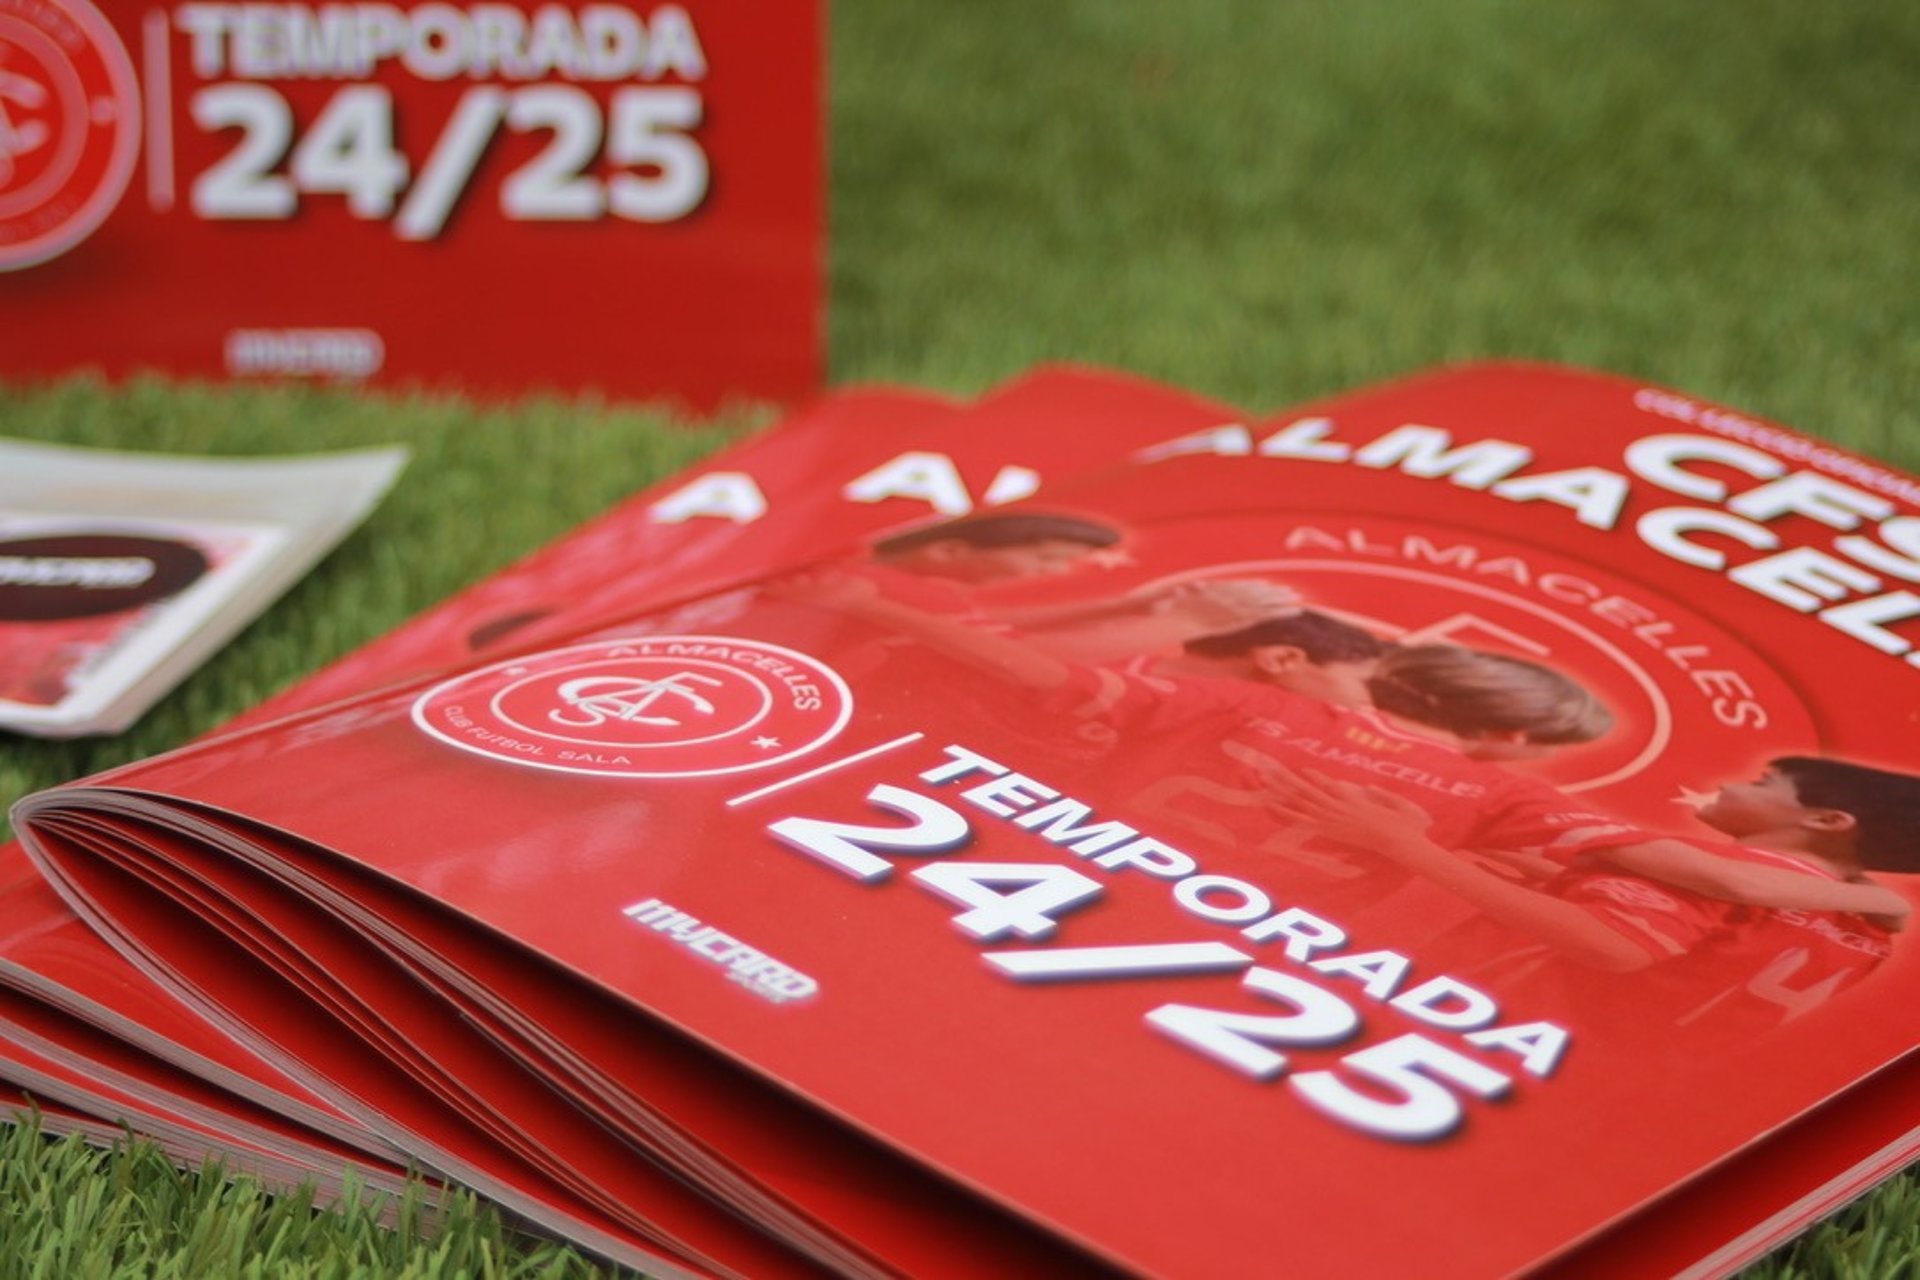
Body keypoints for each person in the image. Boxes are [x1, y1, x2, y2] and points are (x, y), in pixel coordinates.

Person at [1265, 756, 1920, 1036]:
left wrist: (1411, 850)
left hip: (1494, 1031)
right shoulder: (1863, 926)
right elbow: (1702, 963)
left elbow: (1609, 948)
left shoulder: (1716, 866)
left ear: (1828, 820)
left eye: (1763, 780)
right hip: (1630, 1082)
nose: (1733, 785)